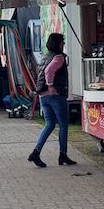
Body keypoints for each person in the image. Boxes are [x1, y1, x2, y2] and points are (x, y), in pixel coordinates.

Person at [29, 32, 76, 167]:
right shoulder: (58, 57)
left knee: (49, 124)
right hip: (55, 95)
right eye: (62, 41)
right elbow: (49, 71)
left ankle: (36, 153)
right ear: (58, 43)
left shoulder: (46, 56)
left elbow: (42, 71)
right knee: (63, 124)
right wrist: (51, 86)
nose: (64, 43)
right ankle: (63, 155)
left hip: (43, 96)